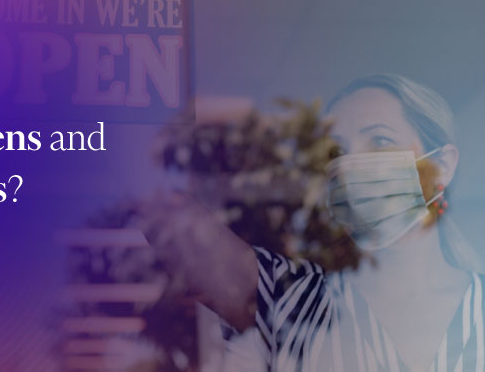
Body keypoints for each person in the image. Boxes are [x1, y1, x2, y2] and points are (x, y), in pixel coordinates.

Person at [147, 74, 485, 371]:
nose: (353, 165)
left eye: (380, 141)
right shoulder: (289, 302)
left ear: (441, 165)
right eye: (336, 153)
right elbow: (159, 214)